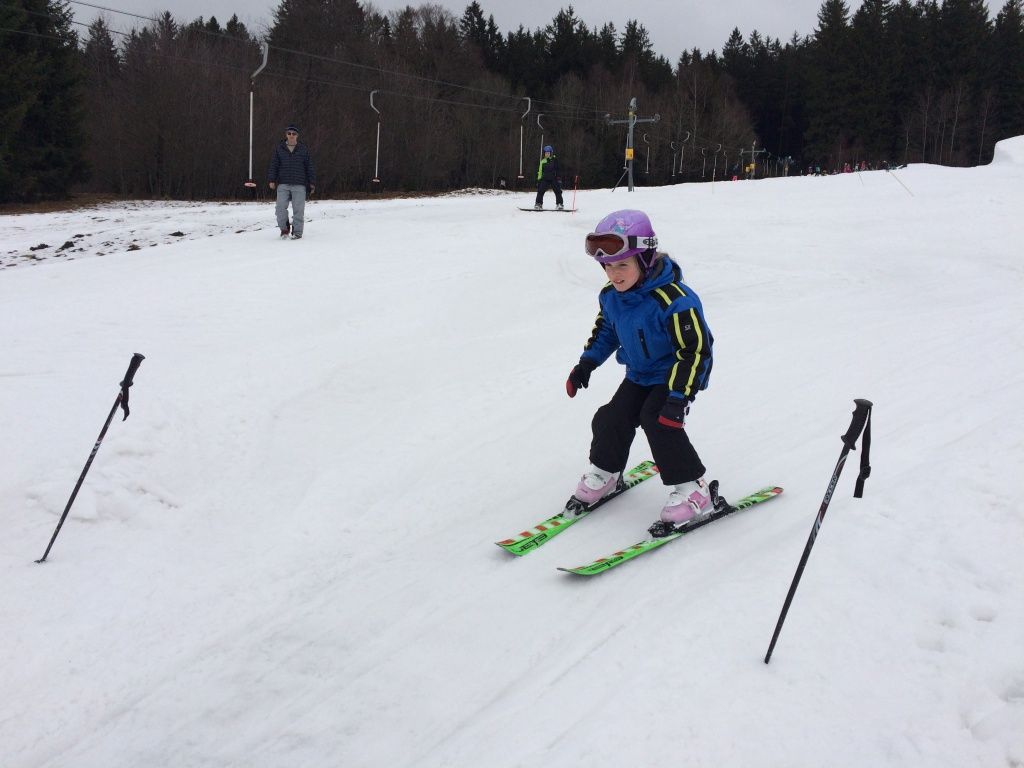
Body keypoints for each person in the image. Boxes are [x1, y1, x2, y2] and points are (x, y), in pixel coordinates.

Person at [565, 209, 715, 532]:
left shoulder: (675, 300)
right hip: (638, 375)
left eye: (622, 265)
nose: (613, 274)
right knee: (611, 418)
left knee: (658, 420)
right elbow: (606, 331)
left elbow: (696, 350)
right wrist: (586, 364)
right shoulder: (611, 297)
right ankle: (606, 472)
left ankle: (694, 487)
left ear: (645, 259)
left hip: (673, 376)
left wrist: (679, 397)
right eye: (607, 266)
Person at [268, 124, 316, 239]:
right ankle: (284, 230)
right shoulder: (279, 148)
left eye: (294, 134)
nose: (291, 135)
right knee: (280, 208)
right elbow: (274, 165)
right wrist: (271, 179)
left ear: (297, 135)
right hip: (283, 183)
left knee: (298, 210)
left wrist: (312, 182)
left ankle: (297, 232)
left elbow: (309, 166)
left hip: (299, 184)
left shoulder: (303, 149)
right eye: (289, 133)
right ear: (286, 135)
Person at [534, 145, 564, 210]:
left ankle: (559, 204)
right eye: (546, 153)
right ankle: (538, 204)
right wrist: (539, 180)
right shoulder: (542, 161)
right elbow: (540, 171)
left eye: (548, 153)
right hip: (545, 179)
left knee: (558, 191)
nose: (547, 154)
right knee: (540, 191)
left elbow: (558, 169)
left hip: (554, 178)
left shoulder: (555, 160)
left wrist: (559, 178)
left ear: (551, 153)